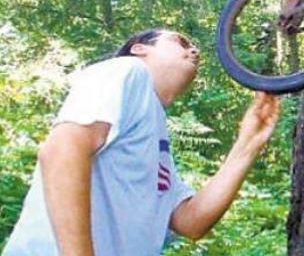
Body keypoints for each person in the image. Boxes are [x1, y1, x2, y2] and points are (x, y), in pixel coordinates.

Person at [2, 29, 281, 256]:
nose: (194, 51)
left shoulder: (154, 127)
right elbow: (62, 149)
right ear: (139, 48)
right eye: (179, 42)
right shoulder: (126, 71)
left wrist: (249, 142)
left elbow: (190, 220)